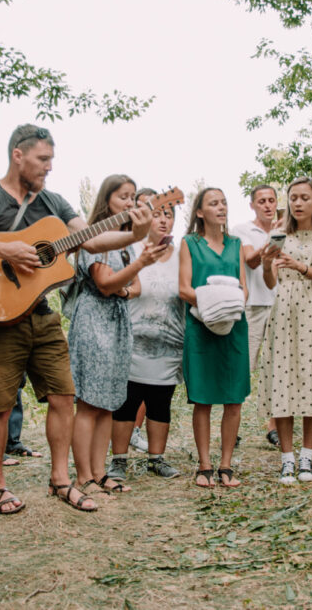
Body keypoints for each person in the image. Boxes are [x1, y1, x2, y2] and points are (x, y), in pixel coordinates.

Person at [0, 125, 151, 514]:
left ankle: (60, 481)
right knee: (0, 405)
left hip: (42, 314)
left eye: (52, 160)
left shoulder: (53, 202)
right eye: (42, 159)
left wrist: (134, 231)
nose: (49, 167)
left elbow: (90, 239)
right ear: (17, 155)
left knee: (64, 395)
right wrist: (5, 252)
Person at [68, 175, 165, 497]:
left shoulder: (124, 241)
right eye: (123, 196)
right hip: (94, 321)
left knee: (108, 403)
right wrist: (137, 266)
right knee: (89, 404)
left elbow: (133, 288)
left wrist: (126, 281)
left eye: (133, 196)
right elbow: (105, 284)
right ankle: (83, 474)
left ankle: (100, 471)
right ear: (106, 199)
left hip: (117, 322)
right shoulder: (94, 237)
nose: (130, 202)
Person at [259, 177, 312, 483]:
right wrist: (269, 264)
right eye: (293, 197)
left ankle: (307, 456)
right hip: (285, 309)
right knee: (284, 379)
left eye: (305, 197)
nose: (297, 203)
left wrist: (300, 266)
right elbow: (270, 283)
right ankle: (287, 458)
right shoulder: (279, 233)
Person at [107, 188, 185, 481]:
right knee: (127, 403)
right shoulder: (132, 249)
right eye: (157, 215)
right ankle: (119, 460)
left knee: (160, 405)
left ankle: (157, 459)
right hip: (132, 342)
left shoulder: (182, 256)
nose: (164, 221)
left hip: (170, 343)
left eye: (169, 215)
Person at [179, 187, 249, 487]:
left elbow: (244, 288)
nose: (221, 207)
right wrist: (213, 307)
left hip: (234, 326)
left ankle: (226, 465)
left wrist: (229, 308)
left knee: (234, 398)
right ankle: (205, 465)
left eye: (224, 202)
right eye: (213, 203)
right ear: (199, 212)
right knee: (203, 399)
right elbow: (183, 288)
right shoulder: (189, 243)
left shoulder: (236, 244)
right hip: (200, 327)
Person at [235, 184, 281, 446]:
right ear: (252, 205)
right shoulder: (242, 230)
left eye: (271, 200)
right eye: (261, 201)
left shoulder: (287, 230)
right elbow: (251, 260)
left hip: (280, 304)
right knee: (244, 367)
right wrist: (274, 236)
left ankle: (274, 427)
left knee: (277, 368)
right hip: (252, 305)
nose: (267, 205)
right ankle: (234, 426)